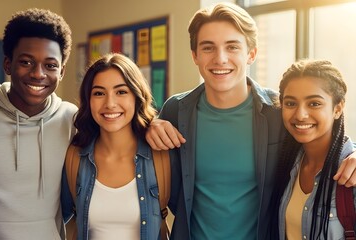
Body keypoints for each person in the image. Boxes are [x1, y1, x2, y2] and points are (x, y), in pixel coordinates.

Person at [144, 2, 356, 240]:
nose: (220, 58)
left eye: (232, 47)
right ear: (195, 55)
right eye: (208, 48)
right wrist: (148, 126)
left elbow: (324, 139)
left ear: (251, 54)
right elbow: (145, 167)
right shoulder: (176, 110)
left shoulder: (278, 110)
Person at [0, 8, 78, 239]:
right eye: (27, 62)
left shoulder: (72, 118)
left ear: (62, 72)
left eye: (50, 65)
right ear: (8, 65)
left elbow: (120, 135)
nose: (38, 74)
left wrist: (154, 126)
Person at [60, 53, 163, 240]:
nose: (110, 104)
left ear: (136, 96)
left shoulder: (161, 157)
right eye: (99, 93)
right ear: (88, 100)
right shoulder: (75, 157)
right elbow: (59, 218)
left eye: (121, 92)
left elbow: (188, 218)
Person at [268, 59, 354, 239]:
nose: (300, 115)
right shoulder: (285, 163)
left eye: (314, 103)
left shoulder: (351, 175)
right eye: (291, 103)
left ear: (338, 108)